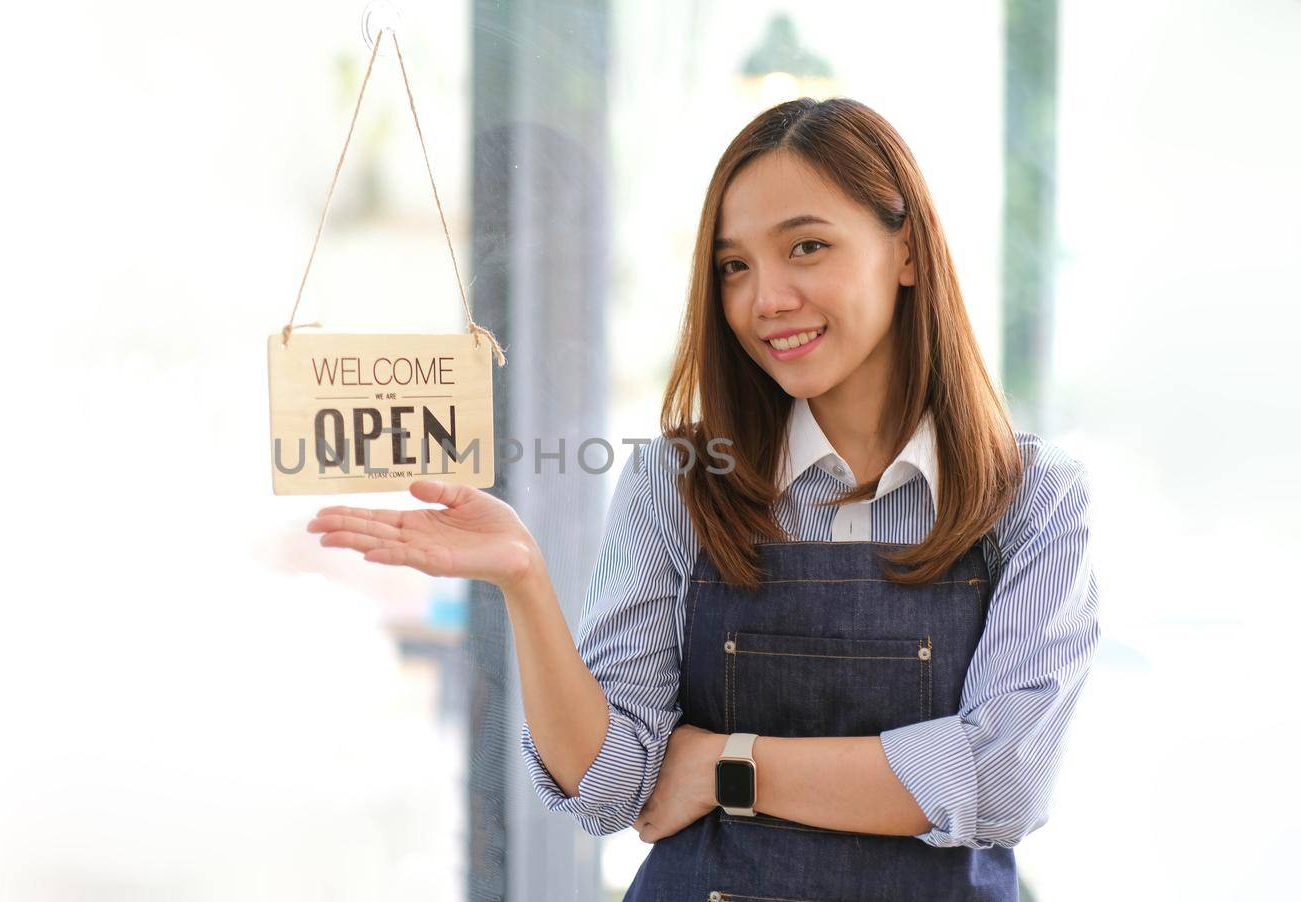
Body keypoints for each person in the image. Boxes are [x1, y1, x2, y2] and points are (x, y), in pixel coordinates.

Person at [306, 96, 1099, 901]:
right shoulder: (675, 484)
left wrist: (726, 763)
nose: (767, 299)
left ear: (907, 251)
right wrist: (524, 579)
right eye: (734, 266)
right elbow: (612, 787)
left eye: (808, 247)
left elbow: (1004, 782)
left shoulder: (1032, 500)